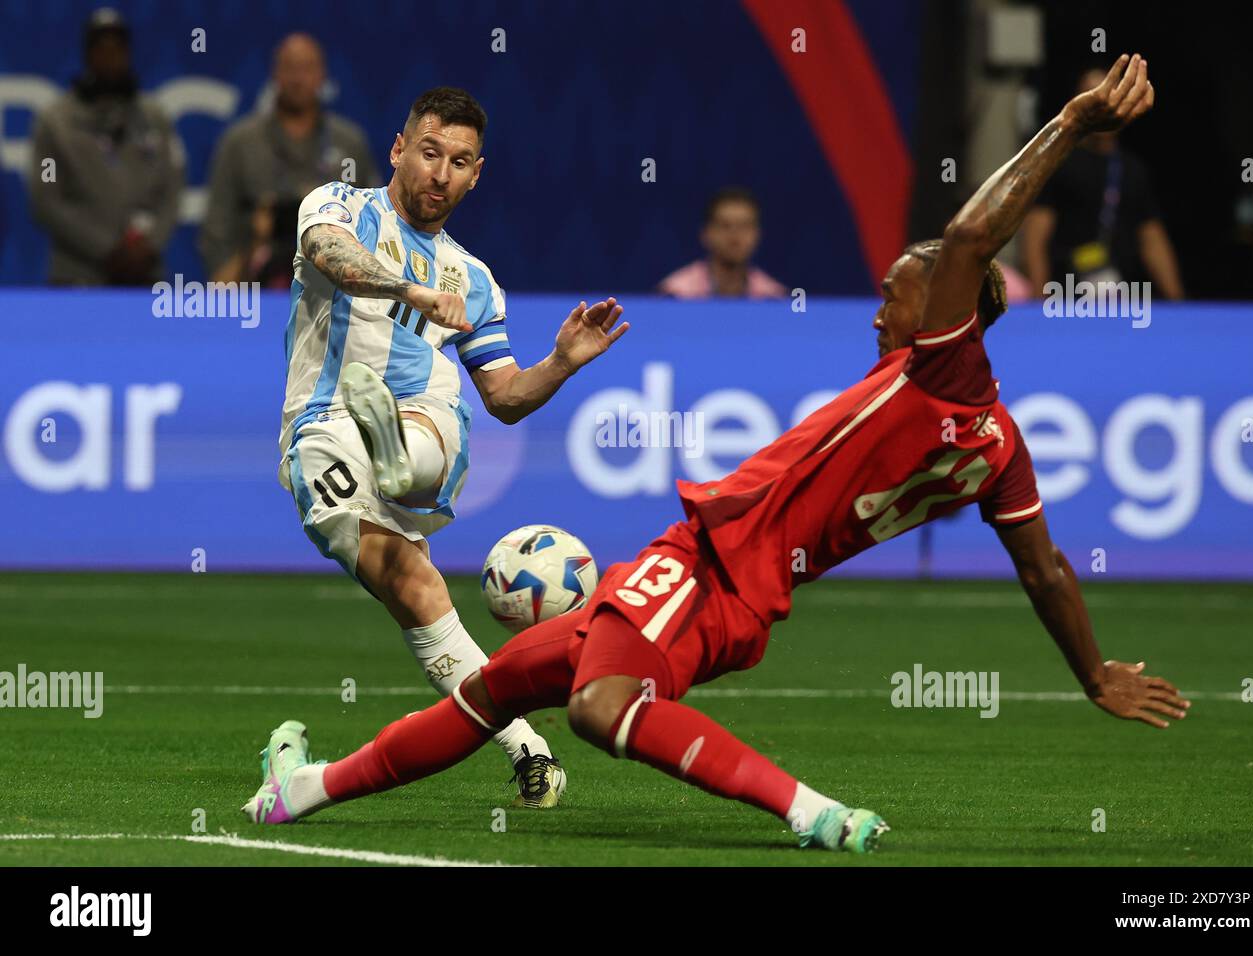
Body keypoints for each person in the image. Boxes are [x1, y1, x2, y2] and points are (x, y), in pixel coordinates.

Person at [244, 56, 1188, 853]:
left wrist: (1069, 119)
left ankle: (811, 812)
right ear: (402, 150)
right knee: (495, 687)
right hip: (746, 594)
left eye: (899, 294)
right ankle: (303, 791)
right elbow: (1048, 569)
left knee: (599, 708)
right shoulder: (1001, 451)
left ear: (948, 313)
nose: (881, 309)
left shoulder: (942, 364)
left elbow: (977, 234)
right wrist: (1093, 673)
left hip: (710, 556)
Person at [260, 86, 629, 809]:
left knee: (437, 414)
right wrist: (411, 292)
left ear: (476, 174)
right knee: (415, 589)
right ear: (399, 150)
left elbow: (506, 397)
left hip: (426, 420)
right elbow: (325, 253)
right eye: (429, 153)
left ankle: (404, 456)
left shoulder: (475, 280)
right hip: (323, 422)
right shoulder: (339, 206)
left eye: (459, 162)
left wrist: (562, 362)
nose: (440, 173)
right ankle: (532, 751)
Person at [200, 33, 378, 286]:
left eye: (307, 68)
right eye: (290, 68)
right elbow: (216, 225)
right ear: (275, 74)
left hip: (335, 287)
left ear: (322, 75)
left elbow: (373, 221)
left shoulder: (350, 143)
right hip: (252, 285)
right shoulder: (240, 142)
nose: (298, 79)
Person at [27, 7, 184, 285]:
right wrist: (107, 250)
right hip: (76, 275)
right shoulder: (55, 122)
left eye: (118, 48)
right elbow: (47, 201)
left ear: (129, 53)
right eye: (101, 48)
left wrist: (146, 247)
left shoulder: (154, 118)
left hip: (144, 273)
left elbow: (171, 192)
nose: (110, 56)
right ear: (87, 54)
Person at [1020, 67, 1183, 299]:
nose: (1101, 107)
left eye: (1108, 97)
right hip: (1066, 297)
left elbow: (1152, 238)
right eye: (1092, 97)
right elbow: (1036, 237)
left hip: (1125, 300)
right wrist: (1040, 302)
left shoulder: (1133, 170)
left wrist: (1178, 303)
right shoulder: (1059, 163)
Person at [658, 187, 787, 299]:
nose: (735, 236)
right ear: (706, 233)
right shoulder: (675, 294)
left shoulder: (773, 298)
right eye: (725, 226)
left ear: (757, 234)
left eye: (744, 226)